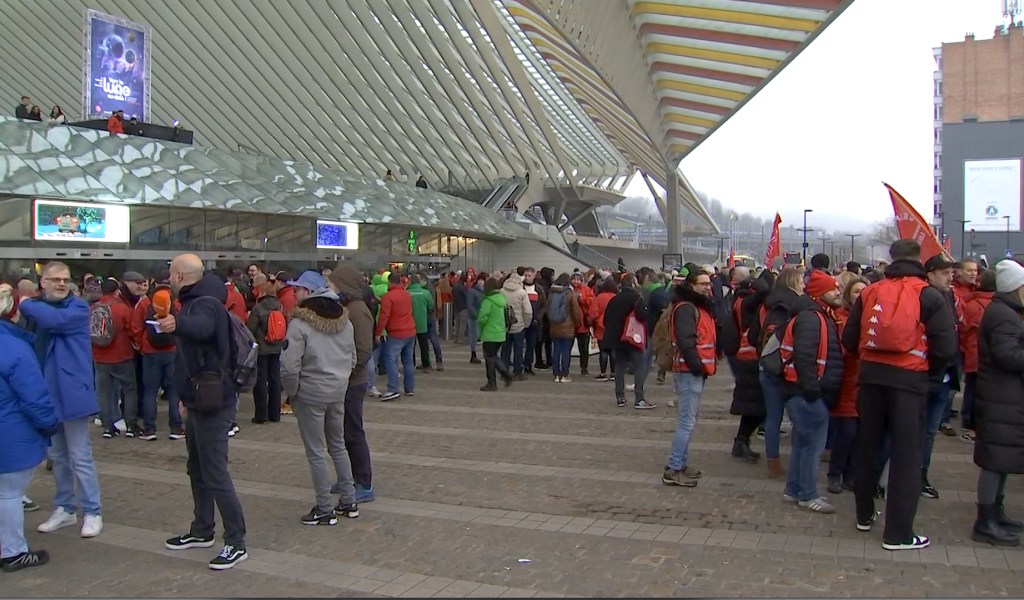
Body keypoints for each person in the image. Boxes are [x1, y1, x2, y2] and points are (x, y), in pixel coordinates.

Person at [842, 240, 957, 551]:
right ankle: (898, 532)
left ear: (890, 258)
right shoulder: (929, 294)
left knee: (868, 446)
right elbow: (947, 347)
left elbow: (849, 337)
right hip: (910, 380)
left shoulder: (869, 291)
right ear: (918, 260)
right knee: (907, 455)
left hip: (871, 378)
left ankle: (864, 515)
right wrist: (931, 376)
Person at [158, 254, 247, 570]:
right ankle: (202, 529)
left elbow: (201, 328)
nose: (168, 277)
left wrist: (176, 323)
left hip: (214, 400)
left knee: (214, 472)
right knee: (197, 468)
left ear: (180, 275)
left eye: (171, 272)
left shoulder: (205, 304)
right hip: (197, 398)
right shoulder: (196, 301)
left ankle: (235, 541)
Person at [280, 272, 359, 525]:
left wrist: (292, 392)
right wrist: (341, 380)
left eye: (298, 289)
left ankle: (324, 507)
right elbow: (353, 357)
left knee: (315, 451)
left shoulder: (299, 323)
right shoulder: (345, 321)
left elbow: (289, 366)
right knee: (337, 445)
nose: (294, 293)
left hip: (310, 392)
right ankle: (349, 500)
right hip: (337, 391)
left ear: (309, 291)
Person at [0, 285, 60, 572]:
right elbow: (34, 397)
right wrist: (49, 425)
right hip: (10, 433)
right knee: (9, 494)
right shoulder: (14, 347)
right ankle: (12, 552)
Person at [780, 270, 844, 514]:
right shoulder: (812, 318)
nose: (838, 292)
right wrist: (812, 391)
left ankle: (794, 489)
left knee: (802, 442)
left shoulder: (813, 315)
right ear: (819, 293)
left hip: (800, 390)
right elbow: (805, 357)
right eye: (833, 288)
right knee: (811, 445)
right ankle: (807, 494)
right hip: (804, 392)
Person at [971, 259, 1024, 546]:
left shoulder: (1005, 311)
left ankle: (996, 512)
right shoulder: (1004, 315)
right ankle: (986, 520)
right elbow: (1008, 356)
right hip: (1001, 396)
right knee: (995, 460)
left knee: (1001, 458)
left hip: (1003, 396)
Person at [662, 269, 716, 486]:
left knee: (688, 419)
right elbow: (686, 340)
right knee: (686, 421)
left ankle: (679, 464)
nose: (707, 287)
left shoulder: (693, 307)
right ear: (691, 285)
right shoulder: (687, 308)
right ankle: (674, 468)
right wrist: (697, 366)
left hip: (693, 369)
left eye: (708, 283)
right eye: (702, 283)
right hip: (689, 370)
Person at [327, 264, 375, 503]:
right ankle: (348, 477)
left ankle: (364, 483)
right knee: (343, 433)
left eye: (332, 283)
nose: (329, 287)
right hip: (343, 378)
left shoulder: (358, 311)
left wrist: (348, 370)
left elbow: (364, 349)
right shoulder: (346, 307)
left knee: (353, 432)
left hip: (352, 381)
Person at [756, 268, 805, 479]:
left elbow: (753, 335)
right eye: (801, 280)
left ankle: (772, 461)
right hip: (786, 368)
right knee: (797, 418)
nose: (804, 284)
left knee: (773, 418)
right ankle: (798, 463)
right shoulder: (795, 308)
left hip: (767, 367)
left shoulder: (768, 305)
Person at [920, 255, 959, 499]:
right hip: (924, 375)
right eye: (945, 273)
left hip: (944, 375)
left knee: (929, 432)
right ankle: (889, 476)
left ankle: (920, 475)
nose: (950, 278)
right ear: (931, 274)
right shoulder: (922, 297)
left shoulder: (949, 296)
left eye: (951, 273)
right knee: (908, 430)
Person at [827, 276, 869, 494]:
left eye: (864, 291)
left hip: (866, 383)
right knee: (846, 433)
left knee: (862, 435)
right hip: (845, 382)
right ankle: (835, 473)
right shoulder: (838, 319)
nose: (860, 295)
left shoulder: (873, 319)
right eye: (855, 291)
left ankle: (851, 475)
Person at [132, 277, 183, 440]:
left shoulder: (146, 303)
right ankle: (176, 428)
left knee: (150, 391)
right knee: (174, 391)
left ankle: (149, 429)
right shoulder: (175, 303)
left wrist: (142, 345)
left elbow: (135, 327)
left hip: (150, 353)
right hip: (172, 351)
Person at [728, 272, 770, 463]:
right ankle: (741, 442)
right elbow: (762, 295)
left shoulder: (739, 300)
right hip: (749, 357)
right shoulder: (746, 302)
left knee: (754, 407)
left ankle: (741, 441)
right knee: (756, 406)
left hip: (745, 355)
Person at [92, 278, 140, 438]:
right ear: (116, 291)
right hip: (121, 355)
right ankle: (131, 425)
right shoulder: (122, 309)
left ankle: (108, 427)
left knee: (104, 392)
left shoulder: (91, 309)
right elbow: (132, 330)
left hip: (99, 356)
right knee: (129, 390)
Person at [602, 274, 652, 408]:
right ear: (633, 284)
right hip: (632, 338)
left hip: (617, 338)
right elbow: (643, 316)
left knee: (620, 366)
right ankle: (639, 398)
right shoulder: (637, 298)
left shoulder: (614, 299)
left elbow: (605, 319)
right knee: (639, 366)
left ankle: (620, 397)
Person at [960, 268, 996, 442]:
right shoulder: (998, 306)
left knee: (972, 389)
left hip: (973, 352)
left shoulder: (972, 304)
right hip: (988, 356)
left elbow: (964, 328)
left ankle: (968, 420)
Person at [246, 282, 284, 424]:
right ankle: (275, 414)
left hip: (262, 349)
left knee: (260, 381)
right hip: (276, 347)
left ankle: (261, 415)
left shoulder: (258, 308)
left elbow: (251, 328)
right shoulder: (279, 306)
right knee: (275, 380)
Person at [376, 272, 416, 402]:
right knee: (408, 360)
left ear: (389, 282)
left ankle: (393, 389)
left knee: (390, 359)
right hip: (410, 330)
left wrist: (378, 332)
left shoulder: (388, 297)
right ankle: (409, 388)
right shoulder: (407, 294)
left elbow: (384, 316)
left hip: (396, 332)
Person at [477, 278, 513, 391]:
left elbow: (482, 318)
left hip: (490, 333)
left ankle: (493, 382)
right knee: (494, 356)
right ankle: (505, 374)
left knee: (489, 358)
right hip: (501, 332)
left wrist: (480, 329)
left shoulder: (488, 301)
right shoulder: (502, 299)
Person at [546, 274, 583, 383]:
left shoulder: (551, 293)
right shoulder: (570, 294)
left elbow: (548, 309)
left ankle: (556, 374)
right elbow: (576, 312)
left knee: (556, 350)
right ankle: (564, 374)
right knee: (566, 351)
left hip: (554, 326)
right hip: (568, 326)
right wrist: (576, 324)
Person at [501, 273, 532, 380]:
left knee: (505, 350)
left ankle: (504, 372)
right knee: (518, 350)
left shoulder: (501, 291)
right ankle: (517, 372)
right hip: (519, 325)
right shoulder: (522, 293)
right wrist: (526, 324)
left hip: (504, 325)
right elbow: (528, 311)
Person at [589, 277, 617, 382]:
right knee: (613, 351)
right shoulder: (616, 297)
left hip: (601, 327)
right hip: (614, 327)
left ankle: (603, 373)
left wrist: (590, 320)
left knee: (603, 351)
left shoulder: (600, 297)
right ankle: (614, 373)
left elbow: (593, 312)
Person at [407, 275, 437, 371]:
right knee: (424, 345)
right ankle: (426, 364)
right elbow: (431, 306)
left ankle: (411, 364)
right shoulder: (426, 293)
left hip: (410, 323)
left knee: (410, 346)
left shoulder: (407, 293)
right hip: (422, 322)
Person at [522, 268, 546, 375]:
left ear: (534, 276)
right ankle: (518, 365)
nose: (527, 278)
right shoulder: (520, 288)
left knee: (531, 345)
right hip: (521, 321)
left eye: (529, 275)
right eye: (525, 275)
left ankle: (528, 365)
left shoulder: (539, 289)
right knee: (518, 345)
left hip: (534, 321)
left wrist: (538, 317)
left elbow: (544, 305)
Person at [570, 272, 594, 376]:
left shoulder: (586, 289)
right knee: (568, 348)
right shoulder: (569, 289)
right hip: (571, 324)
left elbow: (592, 301)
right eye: (574, 279)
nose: (576, 281)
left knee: (584, 349)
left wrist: (581, 298)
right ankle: (565, 368)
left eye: (578, 279)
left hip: (583, 325)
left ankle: (584, 368)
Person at [466, 274, 485, 365]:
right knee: (474, 336)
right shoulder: (472, 291)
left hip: (482, 317)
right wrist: (476, 315)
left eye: (483, 280)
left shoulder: (484, 291)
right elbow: (470, 305)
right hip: (474, 317)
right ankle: (473, 355)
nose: (481, 282)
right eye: (480, 280)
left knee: (479, 336)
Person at [453, 274, 468, 344]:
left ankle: (456, 338)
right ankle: (460, 338)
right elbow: (466, 296)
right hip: (463, 307)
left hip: (456, 307)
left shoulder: (455, 286)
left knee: (457, 323)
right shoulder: (462, 287)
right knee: (462, 324)